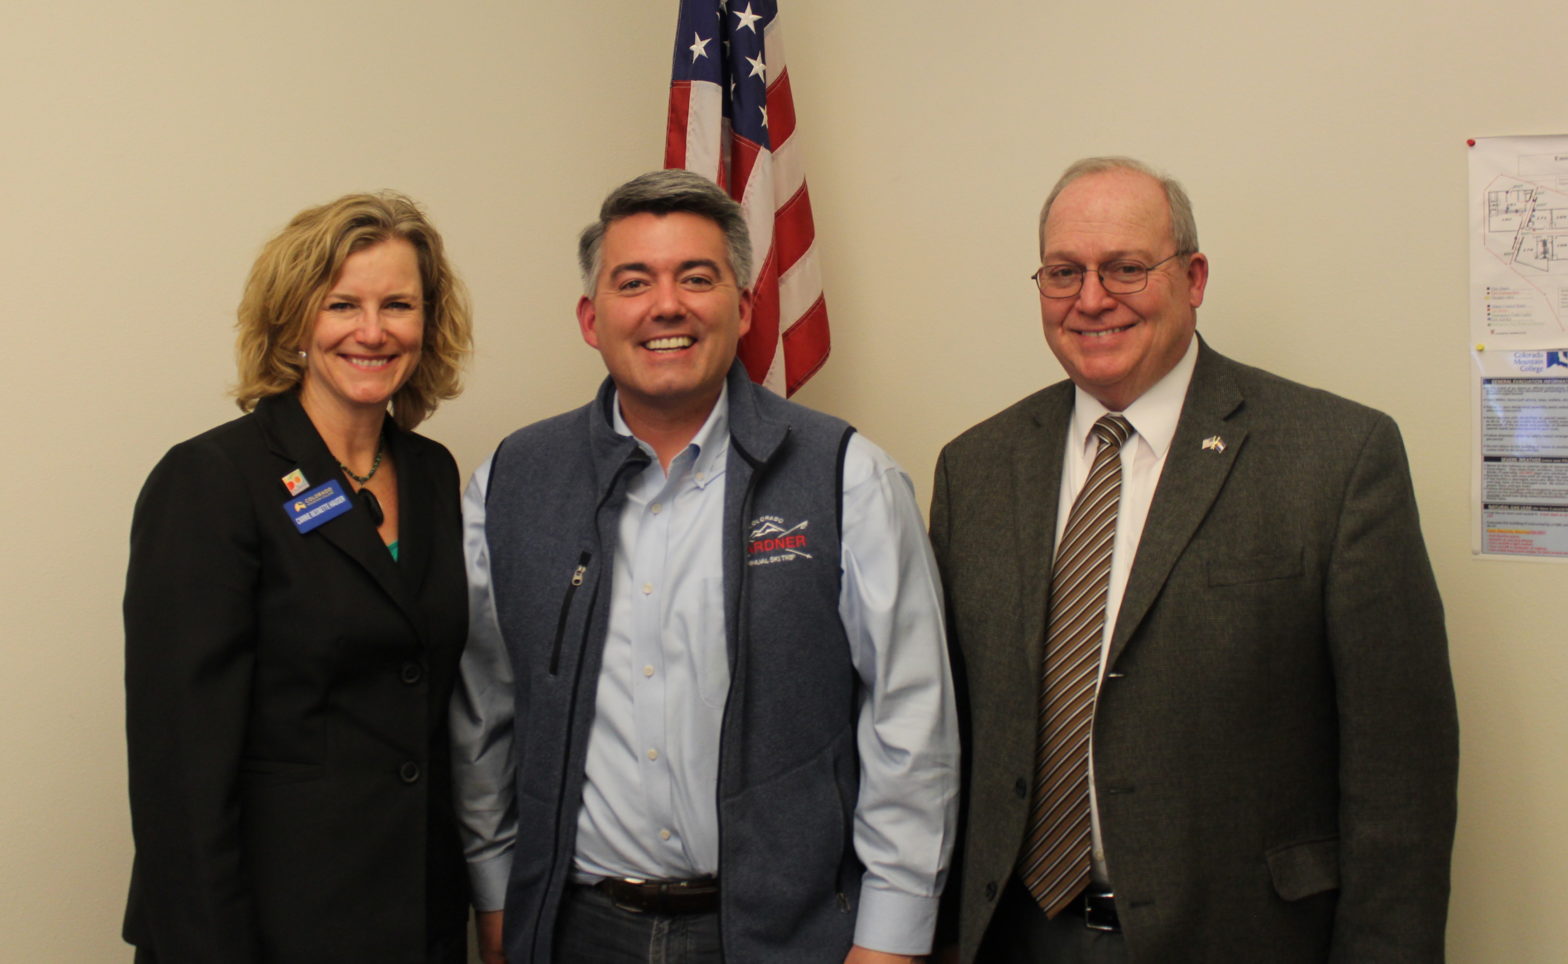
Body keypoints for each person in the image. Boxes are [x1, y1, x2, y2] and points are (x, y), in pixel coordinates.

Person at [930, 157, 1458, 963]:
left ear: (1194, 276)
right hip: (1015, 935)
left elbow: (1401, 778)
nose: (1092, 298)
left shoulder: (1337, 460)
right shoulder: (975, 470)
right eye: (1064, 272)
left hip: (1240, 937)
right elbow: (943, 733)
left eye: (1127, 269)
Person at [451, 169, 958, 964]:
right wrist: (494, 894)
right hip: (576, 930)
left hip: (788, 935)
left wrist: (892, 938)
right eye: (634, 282)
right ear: (592, 318)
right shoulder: (510, 484)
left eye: (698, 277)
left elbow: (910, 716)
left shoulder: (846, 476)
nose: (667, 306)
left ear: (745, 307)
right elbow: (485, 715)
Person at [123, 192, 474, 962]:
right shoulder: (212, 479)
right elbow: (178, 768)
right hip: (269, 926)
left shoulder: (431, 473)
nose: (373, 331)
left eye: (399, 305)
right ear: (293, 321)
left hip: (418, 919)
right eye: (342, 304)